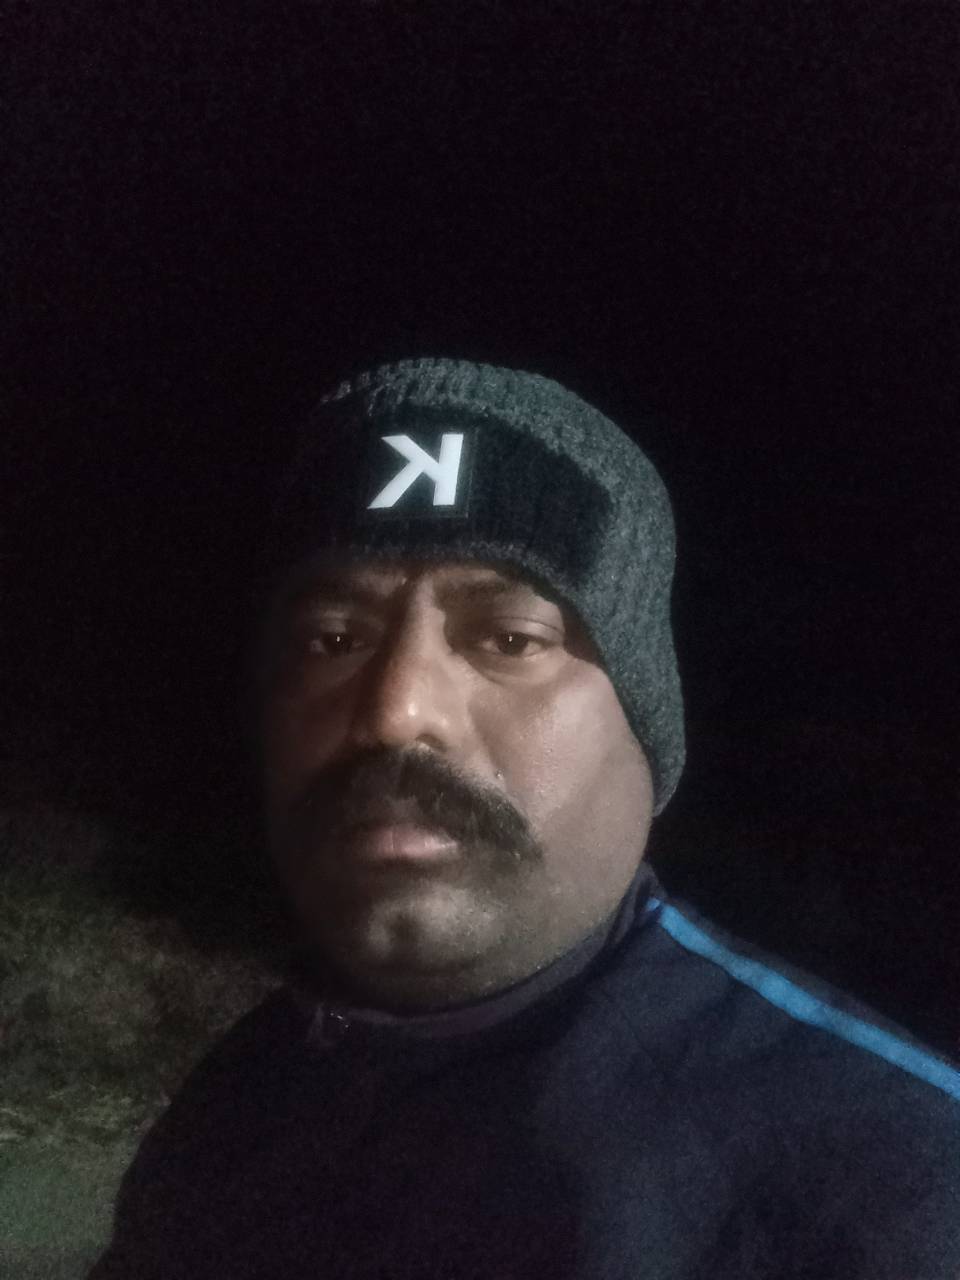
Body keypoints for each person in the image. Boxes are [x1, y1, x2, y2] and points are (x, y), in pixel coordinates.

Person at [88, 357, 960, 1280]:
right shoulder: (242, 1094)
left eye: (510, 638)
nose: (395, 710)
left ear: (645, 728)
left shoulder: (902, 1187)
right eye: (334, 639)